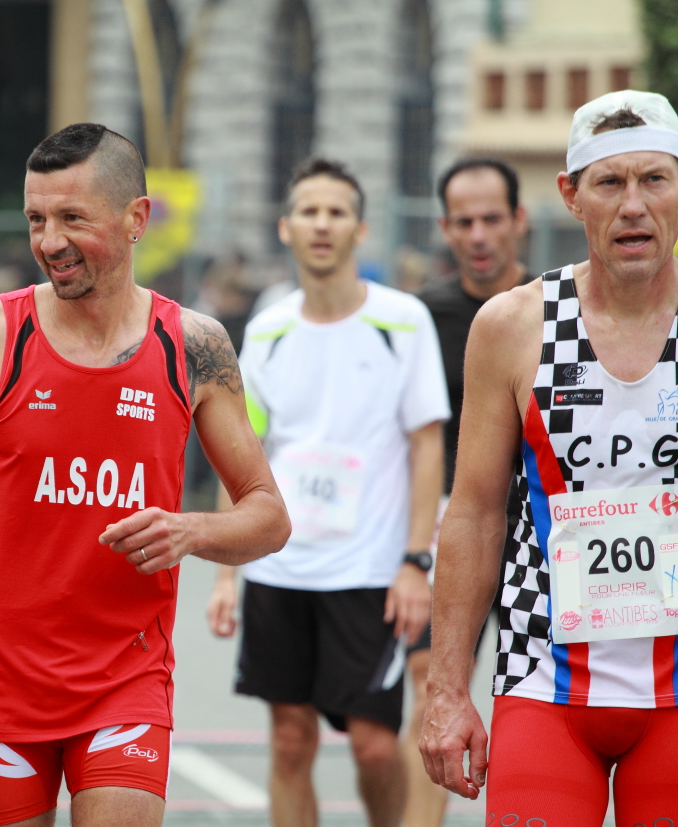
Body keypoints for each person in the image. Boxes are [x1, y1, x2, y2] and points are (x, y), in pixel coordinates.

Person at [0, 122, 290, 827]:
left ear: (137, 219)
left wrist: (191, 529)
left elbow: (268, 515)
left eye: (72, 218)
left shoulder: (193, 345)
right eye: (36, 218)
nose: (49, 241)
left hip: (126, 682)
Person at [420, 89, 678, 823]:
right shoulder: (513, 325)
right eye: (610, 182)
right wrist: (445, 689)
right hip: (546, 679)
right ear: (571, 195)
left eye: (654, 179)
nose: (634, 205)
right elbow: (472, 512)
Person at [207, 158, 448, 827]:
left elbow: (427, 445)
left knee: (373, 746)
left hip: (371, 571)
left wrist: (415, 560)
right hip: (280, 565)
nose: (322, 223)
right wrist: (229, 571)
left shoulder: (403, 320)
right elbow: (243, 453)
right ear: (286, 228)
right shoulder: (266, 327)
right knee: (289, 738)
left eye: (337, 211)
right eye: (309, 211)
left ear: (360, 229)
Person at [404, 158, 532, 827]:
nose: (479, 234)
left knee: (539, 698)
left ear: (520, 220)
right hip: (455, 532)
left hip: (550, 540)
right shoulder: (422, 317)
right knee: (434, 686)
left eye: (492, 218)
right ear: (446, 229)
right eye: (464, 221)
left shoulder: (556, 310)